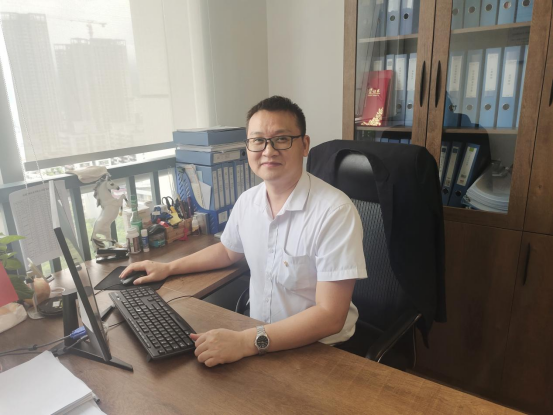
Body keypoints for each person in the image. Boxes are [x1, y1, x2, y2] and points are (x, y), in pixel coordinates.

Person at [119, 96, 367, 367]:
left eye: (282, 139)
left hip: (320, 349)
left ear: (304, 145)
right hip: (259, 335)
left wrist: (245, 341)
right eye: (258, 140)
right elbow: (228, 251)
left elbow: (330, 316)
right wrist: (168, 268)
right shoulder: (248, 201)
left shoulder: (334, 212)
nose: (268, 151)